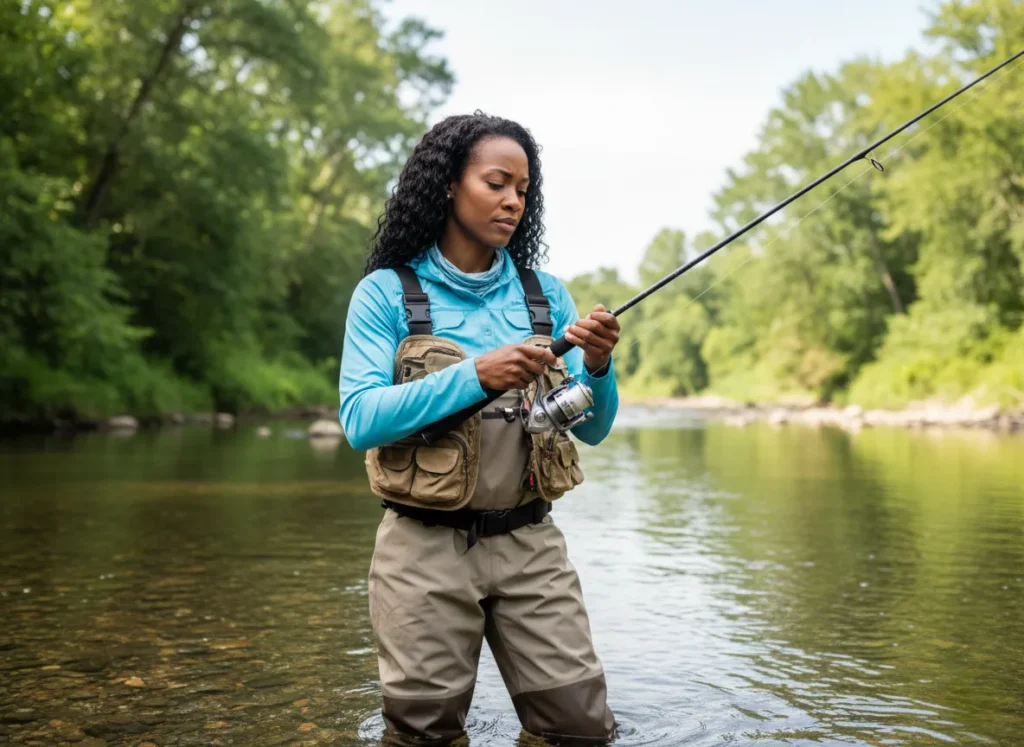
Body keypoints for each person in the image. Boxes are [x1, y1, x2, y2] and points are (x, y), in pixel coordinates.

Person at [338, 111, 621, 745]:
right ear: (447, 185)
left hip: (531, 548)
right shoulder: (385, 294)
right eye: (497, 183)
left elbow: (596, 428)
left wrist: (598, 365)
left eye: (522, 189)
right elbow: (359, 419)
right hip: (421, 552)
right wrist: (478, 374)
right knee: (423, 735)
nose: (513, 201)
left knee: (581, 730)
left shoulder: (546, 295)